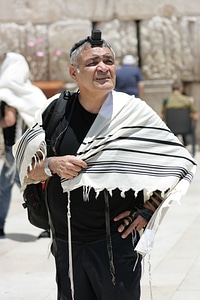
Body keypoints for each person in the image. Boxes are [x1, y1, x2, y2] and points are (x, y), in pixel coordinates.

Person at [13, 30, 196, 300]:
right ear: (74, 72)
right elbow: (28, 171)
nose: (103, 68)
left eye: (108, 61)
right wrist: (52, 164)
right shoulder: (55, 112)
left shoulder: (135, 114)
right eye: (92, 62)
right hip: (67, 244)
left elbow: (180, 165)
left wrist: (148, 210)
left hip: (116, 248)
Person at [0, 52, 47, 238]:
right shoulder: (32, 92)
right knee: (26, 184)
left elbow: (9, 120)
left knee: (12, 186)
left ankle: (48, 223)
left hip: (16, 149)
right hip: (29, 147)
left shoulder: (5, 91)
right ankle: (49, 223)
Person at [161, 80, 199, 152]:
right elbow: (196, 114)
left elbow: (163, 116)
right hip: (186, 128)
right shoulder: (187, 100)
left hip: (172, 129)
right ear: (181, 88)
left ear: (172, 89)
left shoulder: (167, 101)